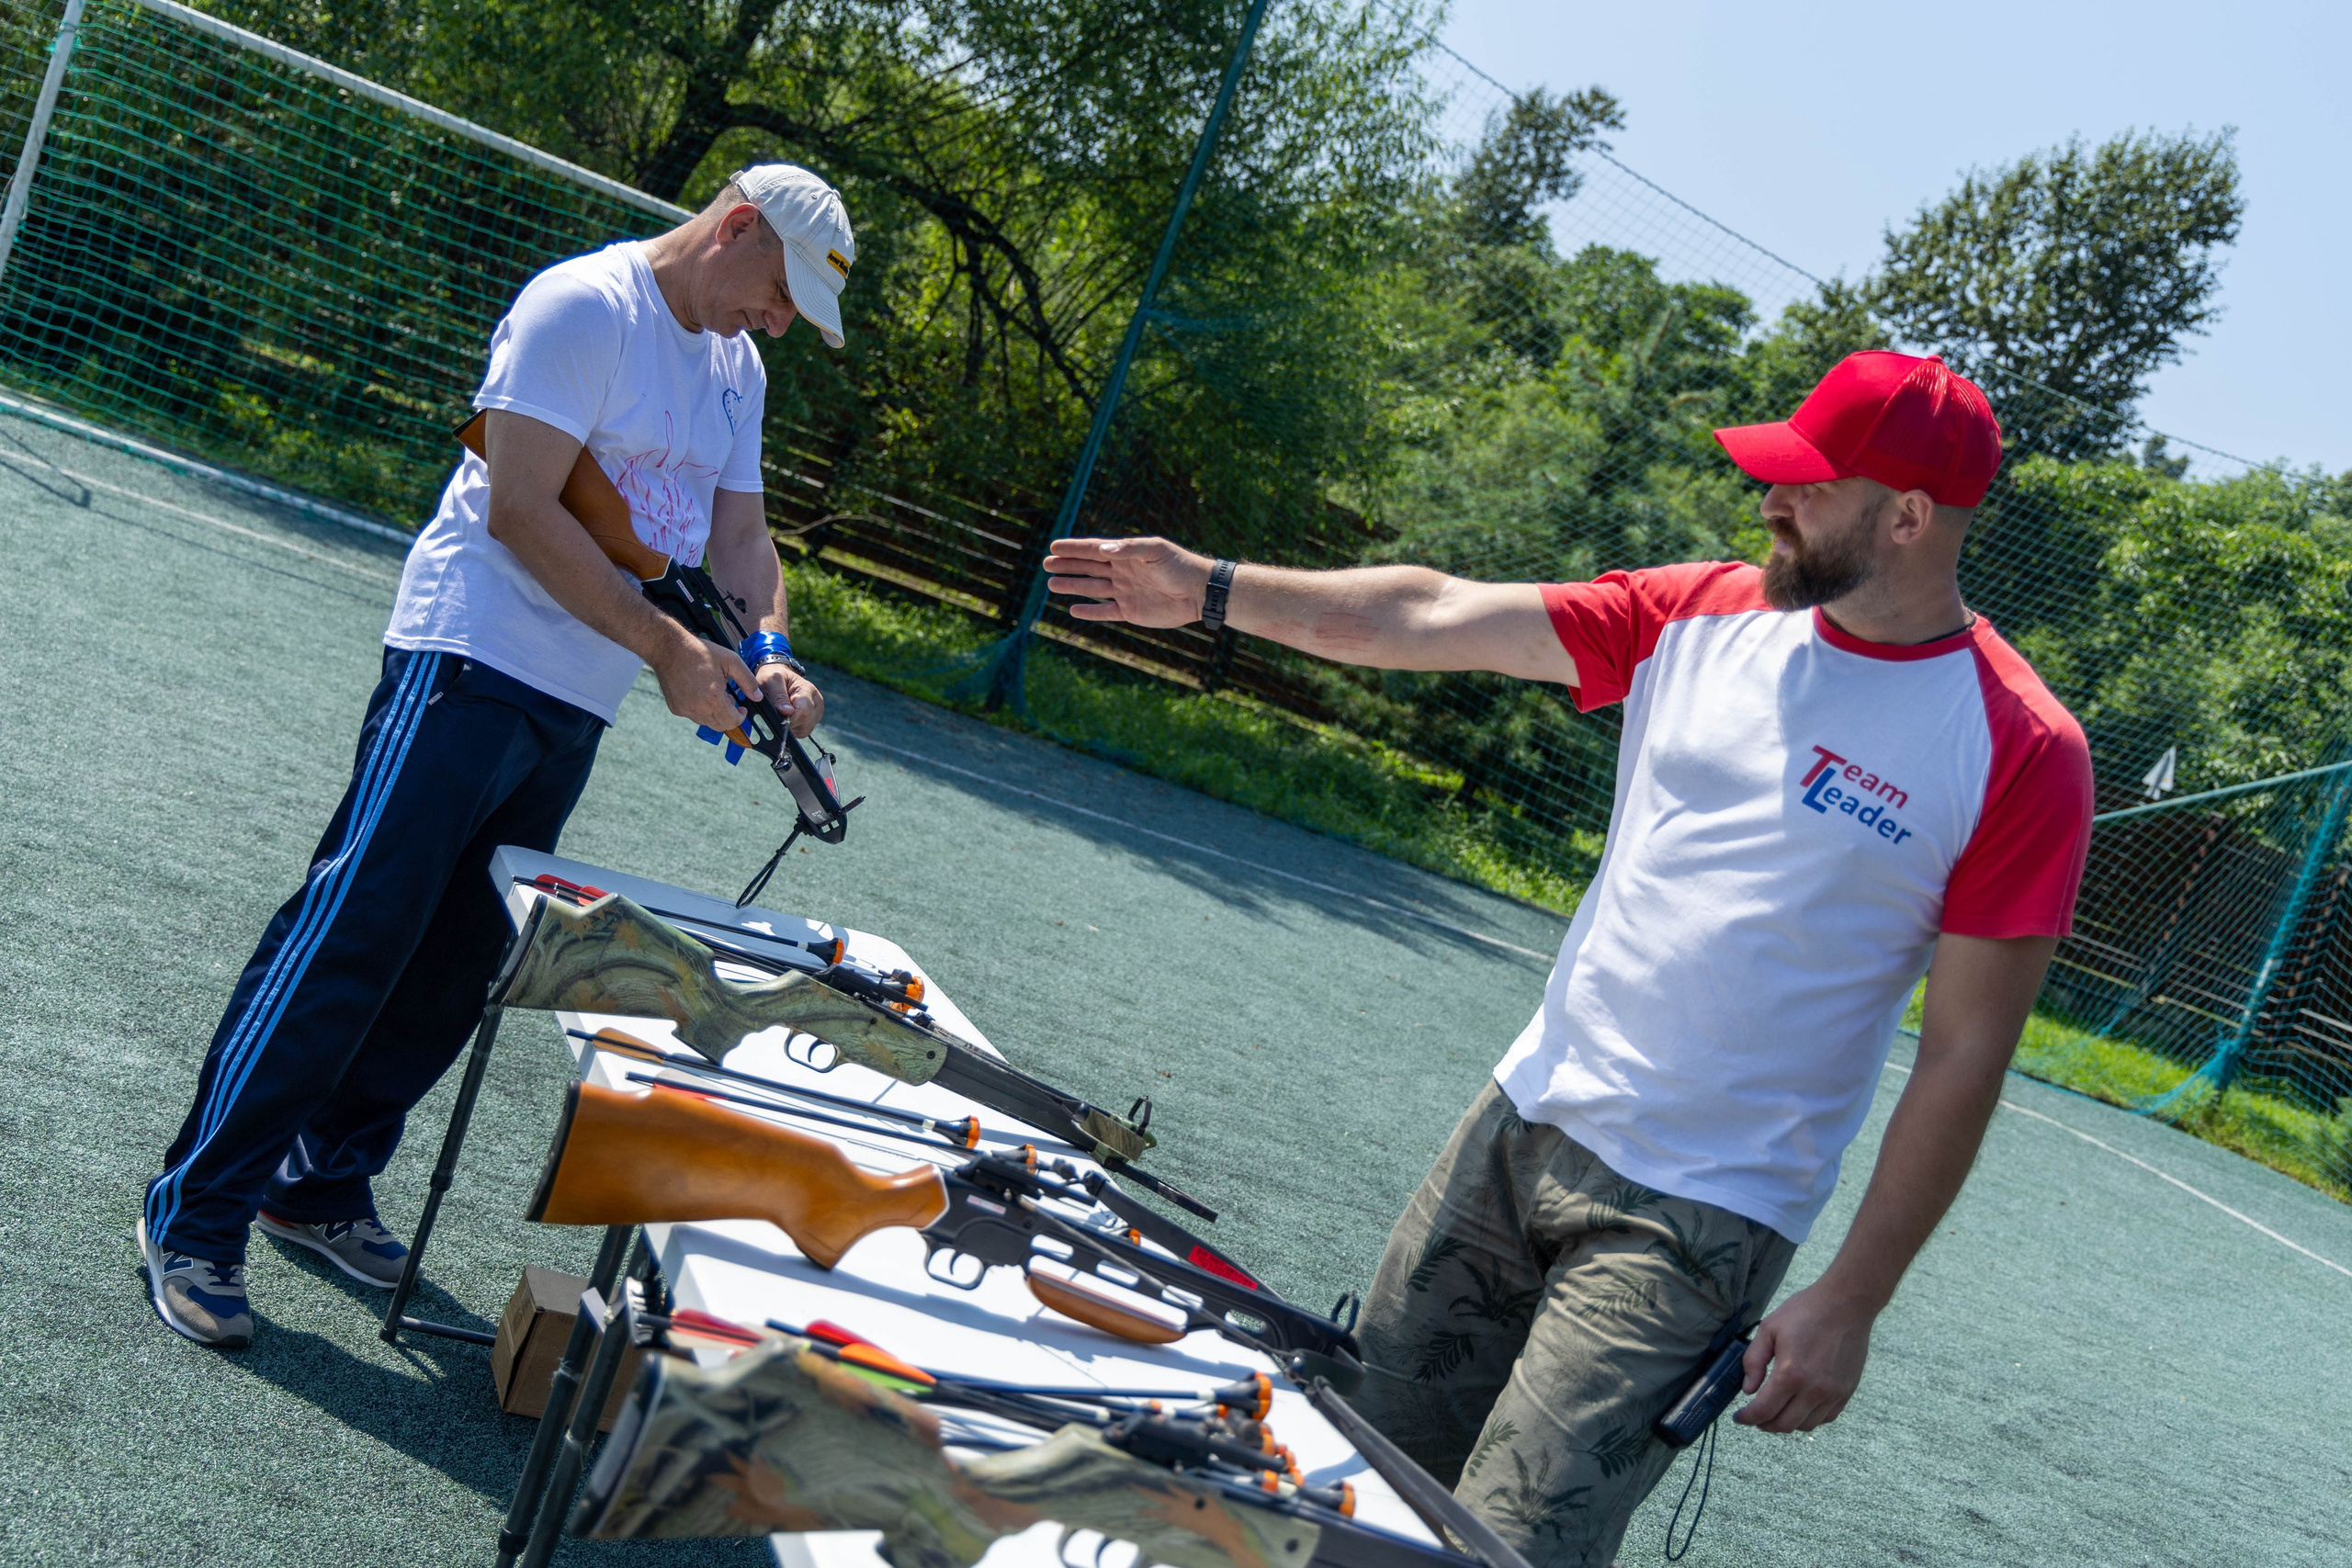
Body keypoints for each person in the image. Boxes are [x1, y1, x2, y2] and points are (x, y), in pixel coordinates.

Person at [1046, 351, 2094, 1566]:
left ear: (1908, 517)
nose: (1772, 500)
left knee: (1505, 1548)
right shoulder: (1699, 611)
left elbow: (1966, 1053)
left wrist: (1853, 1298)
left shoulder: (2020, 747)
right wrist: (1212, 588)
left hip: (1697, 1223)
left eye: (1809, 483)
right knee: (1341, 1490)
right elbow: (1431, 612)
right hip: (1517, 1128)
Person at [139, 164, 856, 1349]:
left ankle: (316, 1189)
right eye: (778, 293)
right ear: (735, 230)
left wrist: (766, 649)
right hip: (467, 655)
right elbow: (521, 507)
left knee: (463, 955)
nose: (776, 323)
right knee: (354, 932)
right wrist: (673, 653)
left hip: (578, 690)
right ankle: (197, 1215)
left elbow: (741, 535)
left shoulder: (738, 366)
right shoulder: (584, 306)